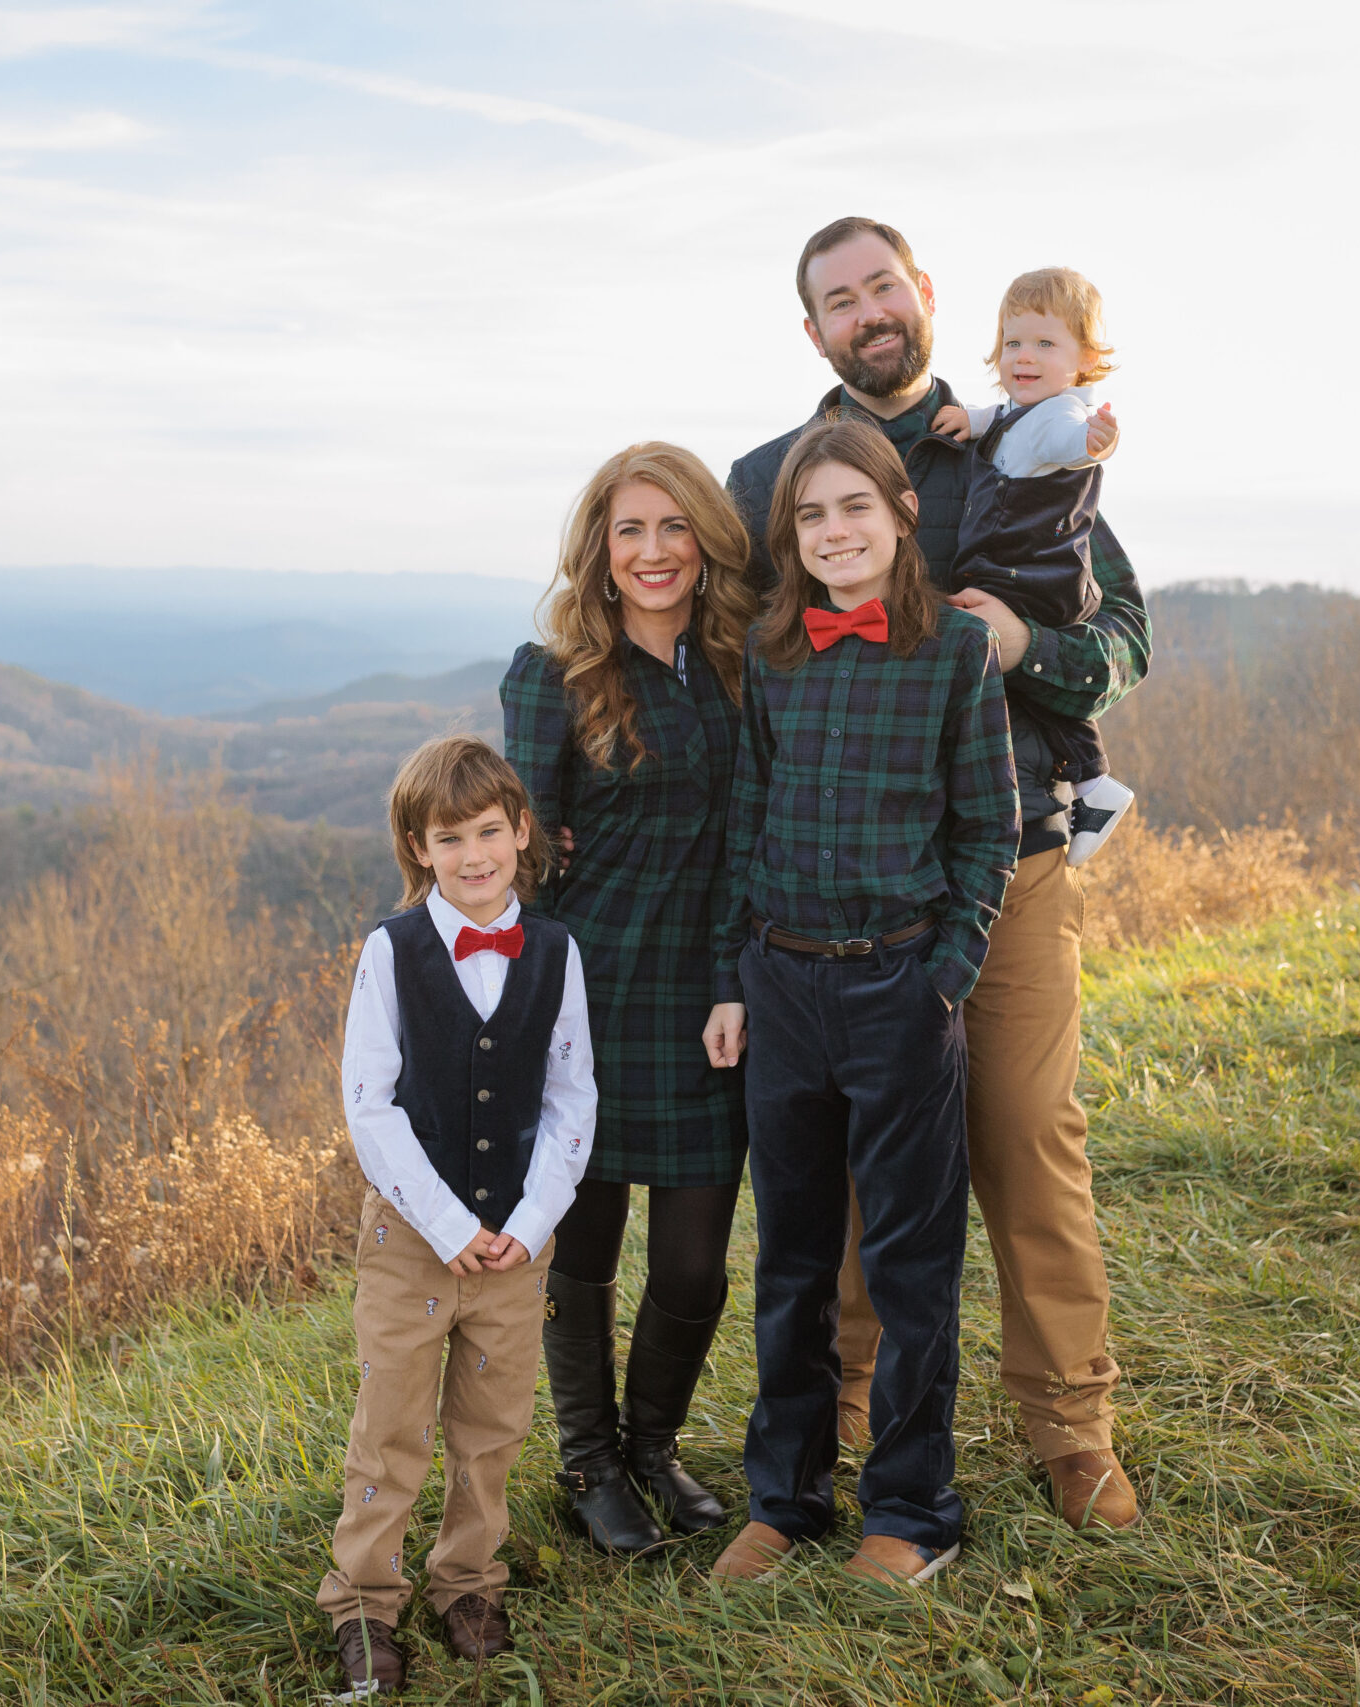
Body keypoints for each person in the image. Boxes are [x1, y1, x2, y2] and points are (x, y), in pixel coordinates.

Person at [727, 216, 1153, 1533]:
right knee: (849, 1167)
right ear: (814, 333)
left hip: (1006, 863)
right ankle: (850, 1410)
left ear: (924, 296)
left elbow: (1126, 635)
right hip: (836, 904)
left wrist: (1032, 641)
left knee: (1027, 1140)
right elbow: (729, 668)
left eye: (882, 286)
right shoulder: (762, 483)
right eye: (838, 300)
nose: (867, 312)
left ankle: (1069, 1423)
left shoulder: (1019, 446)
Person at [702, 417, 1018, 1588]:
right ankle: (782, 1501)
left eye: (853, 509)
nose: (833, 533)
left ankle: (910, 1512)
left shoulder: (952, 658)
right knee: (788, 1261)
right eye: (811, 516)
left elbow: (989, 829)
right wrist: (737, 973)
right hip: (782, 986)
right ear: (790, 536)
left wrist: (944, 976)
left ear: (900, 515)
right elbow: (748, 822)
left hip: (899, 986)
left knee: (906, 1265)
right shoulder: (774, 655)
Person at [501, 444, 758, 1557]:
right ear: (600, 557)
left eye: (671, 528)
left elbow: (752, 839)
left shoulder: (748, 666)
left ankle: (653, 1447)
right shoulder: (550, 676)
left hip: (708, 995)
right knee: (588, 1249)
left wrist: (729, 981)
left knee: (695, 1259)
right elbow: (519, 863)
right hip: (587, 992)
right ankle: (588, 1463)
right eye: (628, 533)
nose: (652, 552)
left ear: (704, 540)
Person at [318, 735, 598, 1697]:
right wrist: (448, 1226)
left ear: (522, 831)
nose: (475, 854)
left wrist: (528, 1220)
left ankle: (470, 1580)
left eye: (490, 831)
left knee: (492, 1422)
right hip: (412, 1240)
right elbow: (371, 1105)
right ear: (417, 845)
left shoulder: (557, 952)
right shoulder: (389, 954)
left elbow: (572, 1097)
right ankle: (364, 1599)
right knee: (390, 1423)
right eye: (451, 837)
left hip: (519, 1241)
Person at [930, 266, 1137, 867]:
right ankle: (1093, 785)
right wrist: (971, 419)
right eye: (1014, 342)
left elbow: (1072, 442)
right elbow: (1001, 420)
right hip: (1014, 572)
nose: (1024, 356)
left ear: (1086, 358)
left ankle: (1095, 783)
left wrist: (1097, 443)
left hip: (1035, 577)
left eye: (1046, 344)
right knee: (1027, 684)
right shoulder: (1025, 410)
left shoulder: (1062, 419)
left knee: (1029, 675)